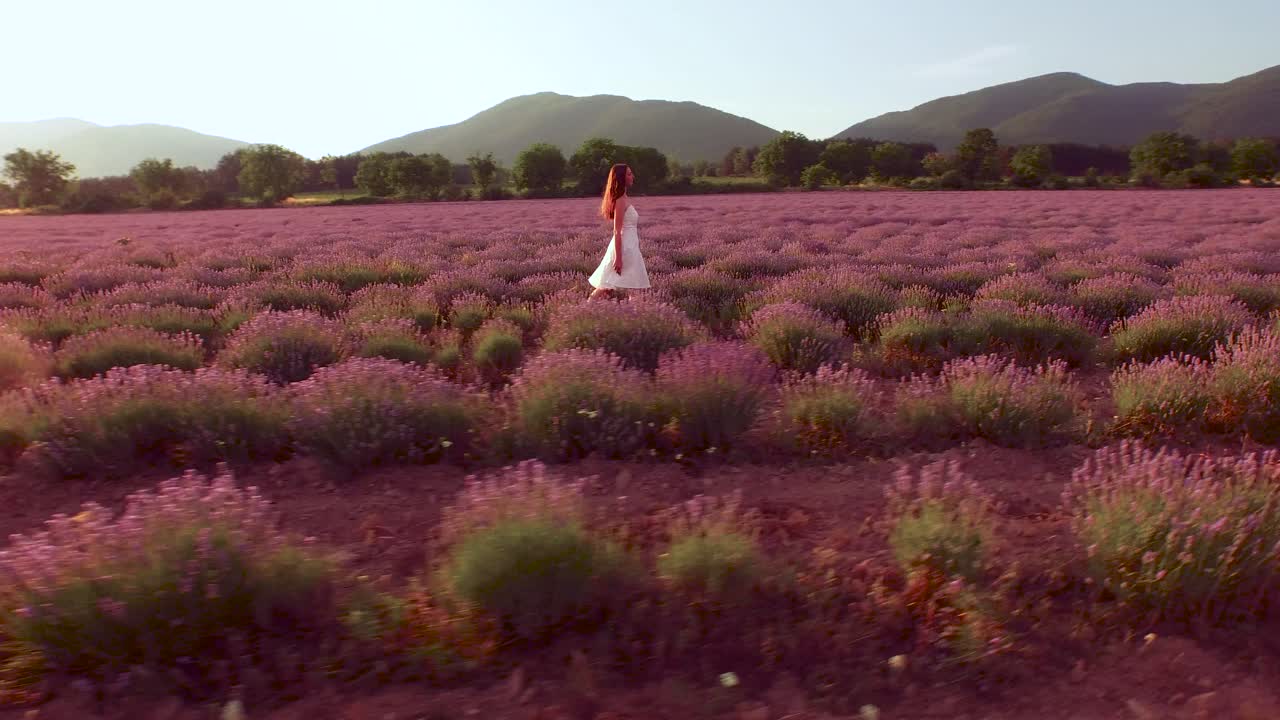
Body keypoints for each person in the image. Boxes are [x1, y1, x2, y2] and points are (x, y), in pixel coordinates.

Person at [588, 163, 650, 299]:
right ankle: (587, 309)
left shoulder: (624, 198)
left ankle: (593, 309)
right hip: (624, 248)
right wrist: (618, 258)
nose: (632, 176)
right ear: (621, 178)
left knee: (616, 285)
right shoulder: (621, 199)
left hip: (631, 246)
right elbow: (617, 231)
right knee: (609, 285)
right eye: (629, 174)